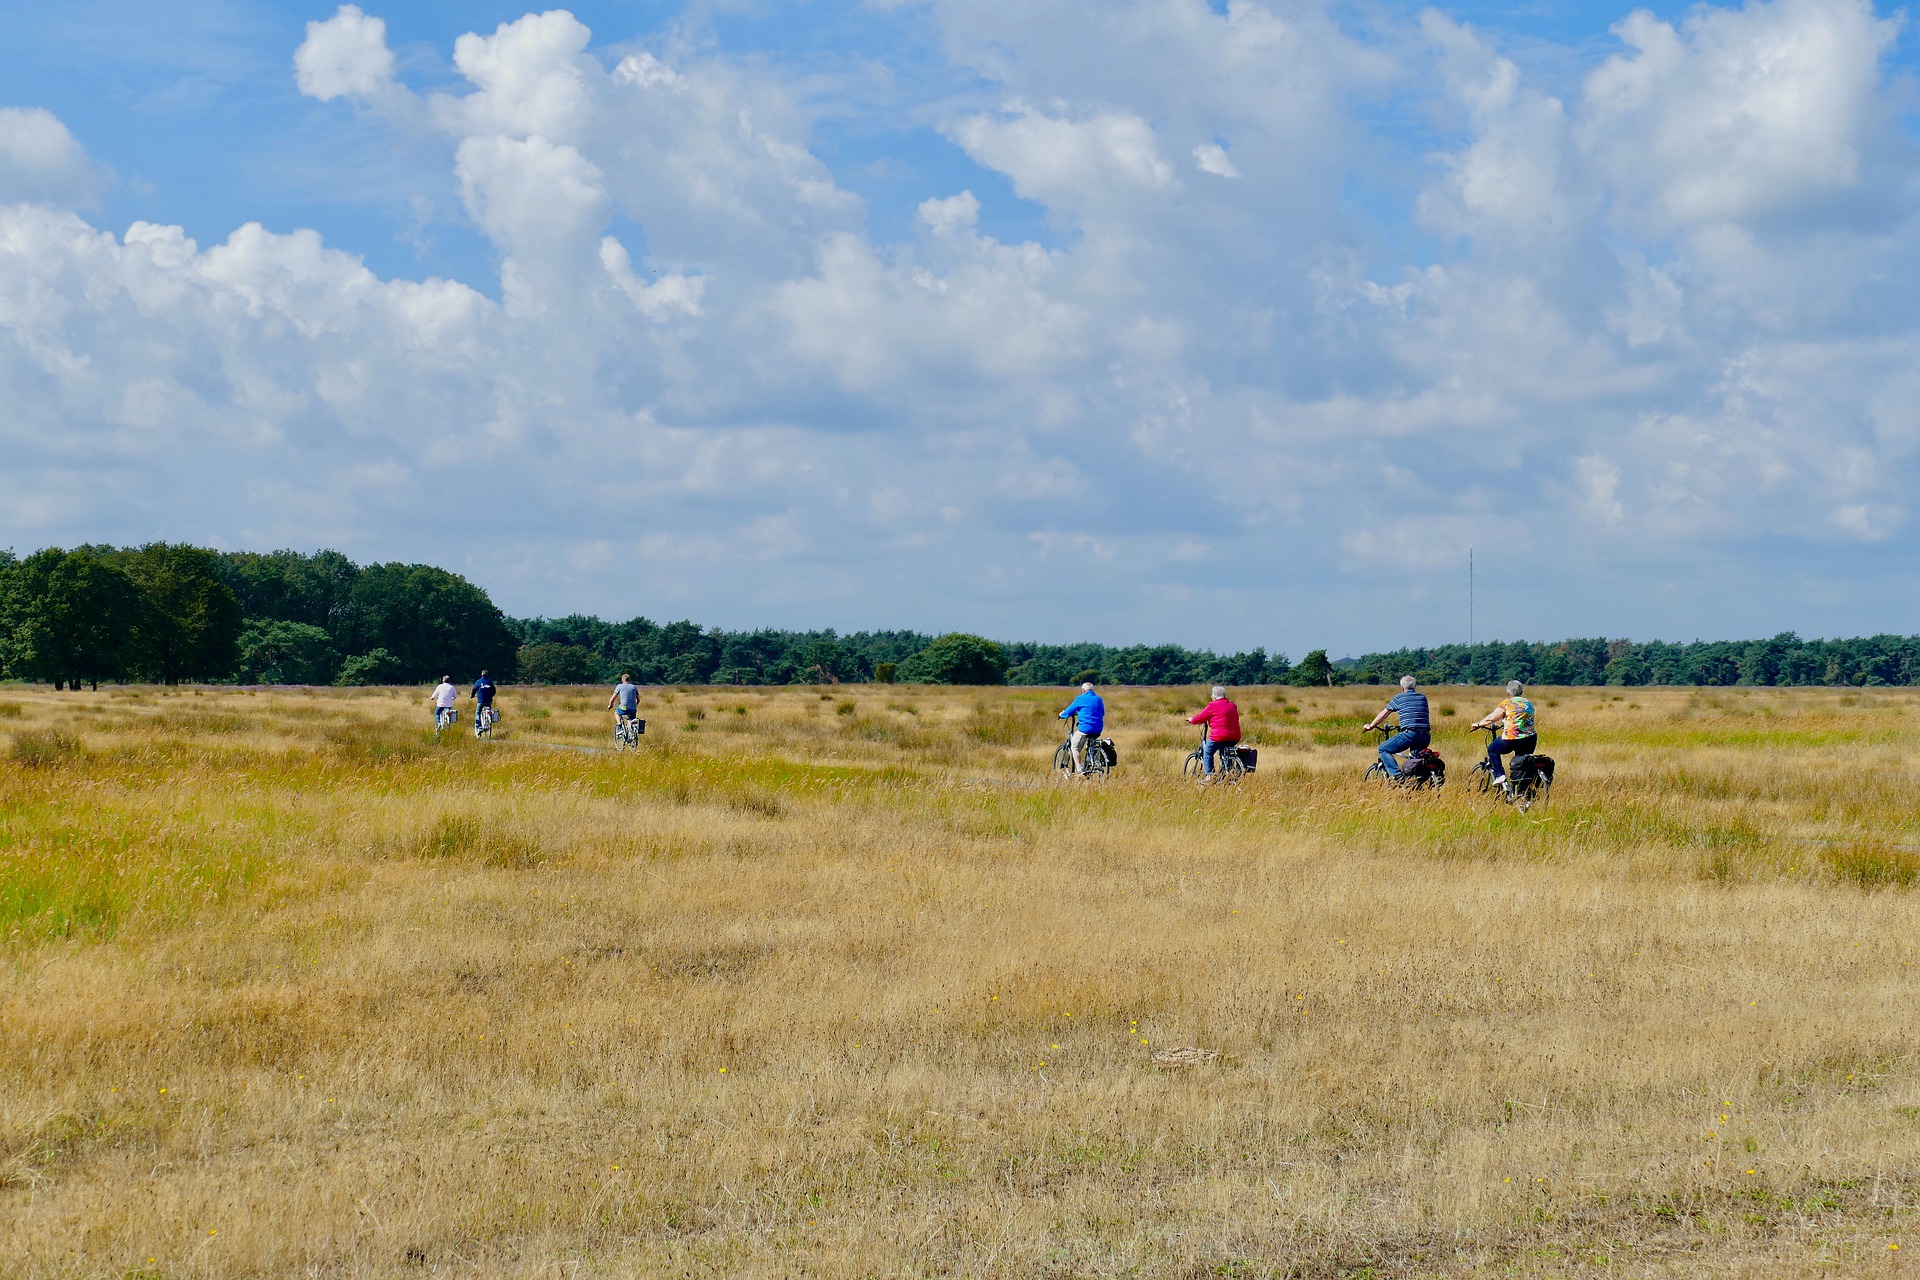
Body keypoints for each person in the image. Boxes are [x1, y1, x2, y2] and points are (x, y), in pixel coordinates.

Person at [1471, 679, 1538, 794]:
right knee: (1521, 762)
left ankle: (1499, 776)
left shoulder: (1507, 703)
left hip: (1512, 738)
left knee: (1492, 749)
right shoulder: (1528, 703)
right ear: (1522, 691)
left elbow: (1491, 718)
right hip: (1530, 738)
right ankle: (1521, 791)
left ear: (1508, 692)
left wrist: (1478, 724)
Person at [1363, 675, 1430, 781]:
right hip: (1425, 736)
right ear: (1415, 686)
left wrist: (1371, 726)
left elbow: (1384, 715)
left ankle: (1398, 777)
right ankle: (1415, 785)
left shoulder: (1399, 697)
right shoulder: (1422, 697)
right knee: (1415, 760)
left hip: (1410, 734)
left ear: (1402, 687)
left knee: (1383, 749)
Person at [1188, 685, 1242, 775]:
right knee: (1225, 754)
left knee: (1208, 752)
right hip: (1235, 736)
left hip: (1219, 735)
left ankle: (1209, 776)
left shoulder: (1212, 705)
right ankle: (1227, 773)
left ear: (1214, 696)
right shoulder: (1233, 705)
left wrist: (1192, 720)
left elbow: (1201, 717)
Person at [1058, 680, 1106, 775]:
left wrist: (1062, 714)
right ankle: (1090, 759)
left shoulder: (1080, 698)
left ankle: (1080, 770)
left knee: (1075, 747)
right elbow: (1103, 713)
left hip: (1085, 729)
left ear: (1083, 690)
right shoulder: (1099, 699)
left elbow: (1069, 711)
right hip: (1098, 729)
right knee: (1089, 745)